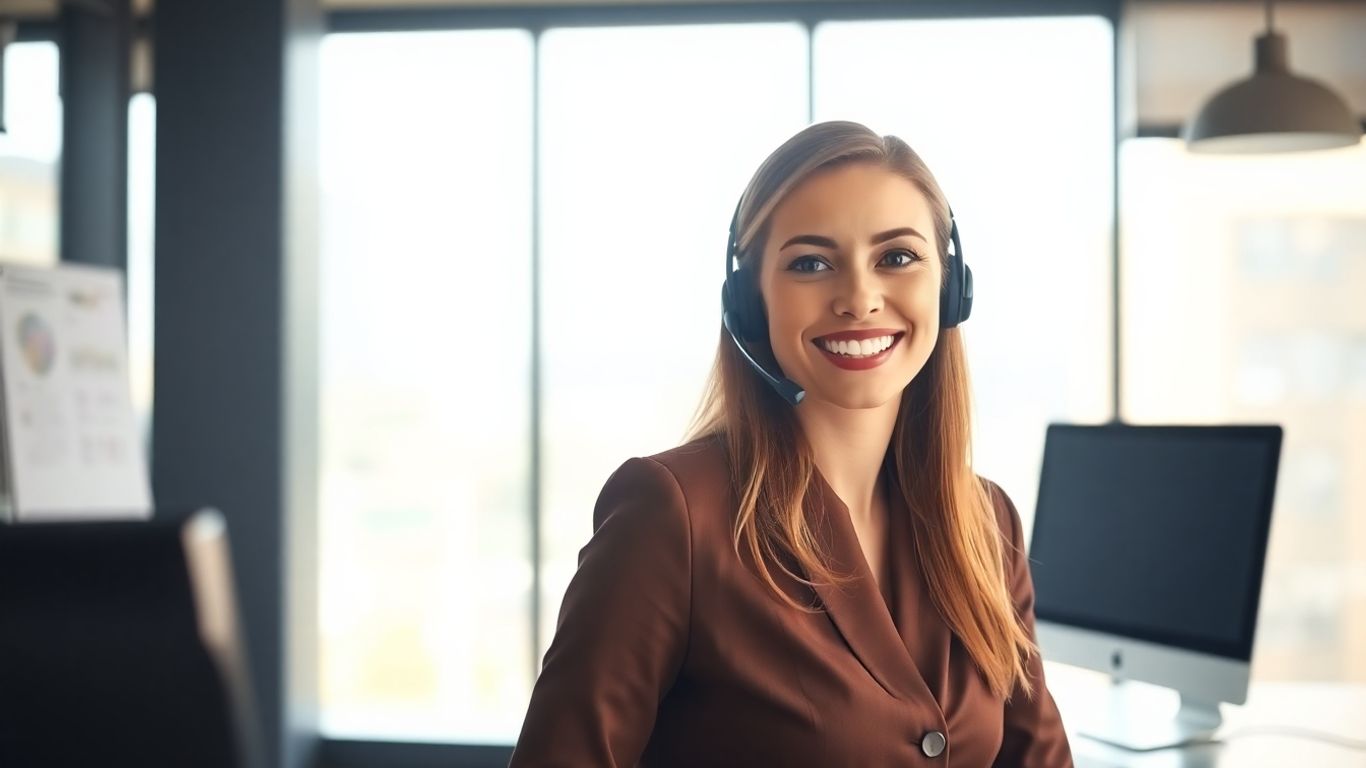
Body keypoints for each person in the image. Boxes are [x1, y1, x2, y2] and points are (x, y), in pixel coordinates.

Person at [509, 120, 1074, 767]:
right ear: (750, 303)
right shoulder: (674, 515)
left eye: (897, 257)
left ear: (950, 289)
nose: (859, 298)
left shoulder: (985, 521)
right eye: (810, 263)